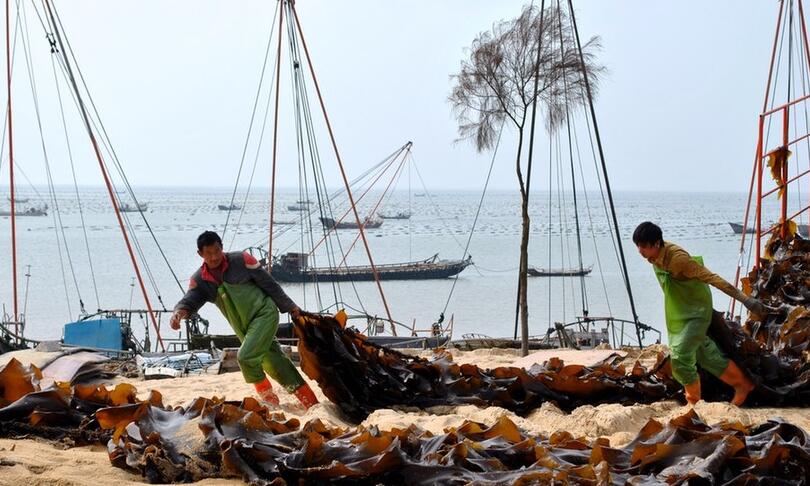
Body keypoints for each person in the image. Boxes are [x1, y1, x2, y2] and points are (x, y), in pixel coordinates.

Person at [170, 231, 318, 409]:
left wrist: (291, 307)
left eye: (217, 251)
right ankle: (312, 404)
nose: (214, 256)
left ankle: (270, 402)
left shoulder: (242, 260)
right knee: (274, 362)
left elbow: (270, 284)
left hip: (265, 313)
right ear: (200, 254)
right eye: (209, 253)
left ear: (222, 247)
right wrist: (178, 313)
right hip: (244, 328)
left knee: (245, 357)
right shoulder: (200, 280)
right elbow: (189, 300)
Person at [633, 222, 761, 406]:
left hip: (696, 311)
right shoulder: (654, 256)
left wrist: (745, 299)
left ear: (656, 244)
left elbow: (713, 278)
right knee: (705, 353)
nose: (640, 251)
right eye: (637, 246)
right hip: (679, 311)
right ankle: (743, 385)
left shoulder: (679, 260)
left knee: (680, 356)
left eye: (643, 246)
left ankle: (693, 403)